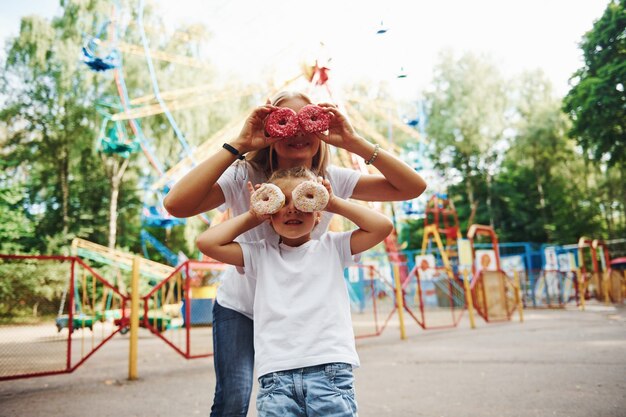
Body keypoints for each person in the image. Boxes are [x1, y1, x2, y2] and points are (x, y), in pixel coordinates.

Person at [163, 91, 427, 416]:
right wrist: (240, 144)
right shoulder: (242, 176)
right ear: (270, 131)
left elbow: (413, 188)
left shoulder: (331, 182)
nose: (298, 132)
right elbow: (175, 205)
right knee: (234, 397)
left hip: (298, 315)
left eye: (308, 122)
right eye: (285, 122)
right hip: (243, 306)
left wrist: (354, 142)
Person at [196, 166, 394, 416]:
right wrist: (253, 214)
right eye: (282, 201)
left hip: (330, 370)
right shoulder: (259, 253)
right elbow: (206, 242)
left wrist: (333, 202)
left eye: (304, 199)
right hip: (276, 376)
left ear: (319, 213)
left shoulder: (334, 247)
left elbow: (382, 226)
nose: (292, 208)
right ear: (269, 214)